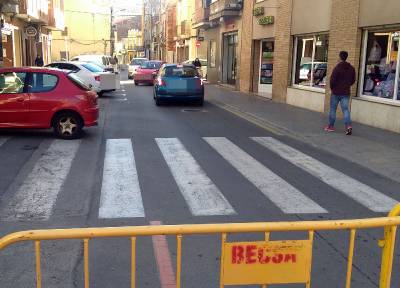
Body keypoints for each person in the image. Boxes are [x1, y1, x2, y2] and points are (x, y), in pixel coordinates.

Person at [325, 51, 356, 136]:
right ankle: (348, 126)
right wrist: (347, 85)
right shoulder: (352, 68)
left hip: (336, 92)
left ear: (340, 57)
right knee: (345, 109)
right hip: (346, 92)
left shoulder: (337, 68)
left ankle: (330, 126)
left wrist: (332, 88)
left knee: (333, 109)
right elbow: (353, 80)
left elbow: (332, 80)